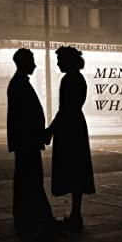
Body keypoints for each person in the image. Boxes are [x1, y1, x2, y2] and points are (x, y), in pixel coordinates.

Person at [44, 46, 95, 232]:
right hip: (76, 125)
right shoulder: (78, 78)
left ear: (68, 61)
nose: (58, 64)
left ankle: (75, 216)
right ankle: (75, 213)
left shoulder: (69, 80)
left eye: (60, 60)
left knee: (72, 168)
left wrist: (50, 130)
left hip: (69, 127)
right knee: (77, 170)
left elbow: (65, 108)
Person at [7, 48, 54, 239]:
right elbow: (26, 117)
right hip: (27, 141)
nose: (34, 65)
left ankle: (29, 215)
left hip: (26, 141)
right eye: (31, 61)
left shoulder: (20, 82)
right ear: (24, 63)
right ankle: (41, 217)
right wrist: (41, 134)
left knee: (27, 179)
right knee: (32, 179)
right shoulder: (20, 84)